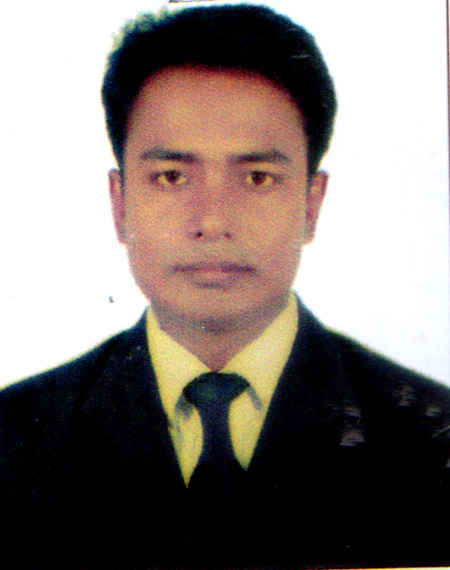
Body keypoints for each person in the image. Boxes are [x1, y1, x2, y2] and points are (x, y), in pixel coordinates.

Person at [0, 4, 449, 569]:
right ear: (120, 204)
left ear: (311, 205)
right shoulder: (12, 440)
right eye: (171, 177)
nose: (212, 222)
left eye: (257, 178)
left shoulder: (433, 439)